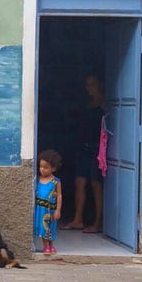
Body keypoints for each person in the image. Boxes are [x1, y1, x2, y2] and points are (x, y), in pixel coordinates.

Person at [61, 74, 105, 234]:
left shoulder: (105, 105)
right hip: (83, 148)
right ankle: (77, 220)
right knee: (80, 182)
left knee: (96, 185)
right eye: (87, 85)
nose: (89, 88)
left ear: (100, 85)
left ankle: (98, 223)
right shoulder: (87, 104)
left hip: (97, 149)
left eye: (92, 84)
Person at [34, 149, 63, 255]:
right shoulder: (37, 180)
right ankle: (46, 246)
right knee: (43, 228)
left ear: (53, 168)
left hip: (51, 210)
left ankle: (51, 246)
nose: (42, 169)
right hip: (40, 210)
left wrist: (58, 210)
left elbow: (59, 196)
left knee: (51, 228)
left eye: (46, 167)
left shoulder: (56, 181)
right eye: (41, 167)